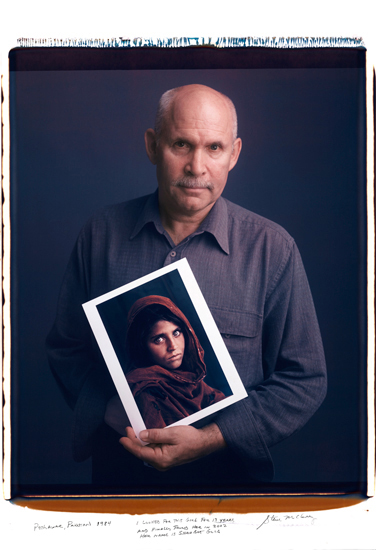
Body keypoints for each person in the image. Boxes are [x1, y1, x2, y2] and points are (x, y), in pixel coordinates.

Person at [46, 84, 327, 488]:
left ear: (234, 154)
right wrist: (107, 407)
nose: (197, 166)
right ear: (152, 145)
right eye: (181, 144)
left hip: (228, 486)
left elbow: (304, 379)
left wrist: (214, 438)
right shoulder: (100, 234)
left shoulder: (273, 249)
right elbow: (66, 348)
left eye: (214, 147)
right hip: (119, 479)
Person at [124, 295, 226, 429]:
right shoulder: (144, 389)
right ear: (142, 347)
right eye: (159, 340)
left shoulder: (191, 379)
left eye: (176, 333)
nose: (173, 346)